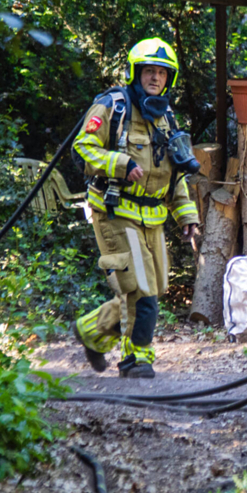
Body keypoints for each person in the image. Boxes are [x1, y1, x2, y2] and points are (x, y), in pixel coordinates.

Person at [71, 38, 200, 379]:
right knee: (141, 289)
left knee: (152, 287)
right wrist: (120, 162)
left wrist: (186, 215)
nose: (155, 78)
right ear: (136, 73)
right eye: (149, 72)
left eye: (162, 73)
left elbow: (174, 174)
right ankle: (136, 359)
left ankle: (90, 330)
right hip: (115, 212)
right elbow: (82, 150)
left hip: (153, 217)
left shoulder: (166, 118)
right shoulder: (113, 107)